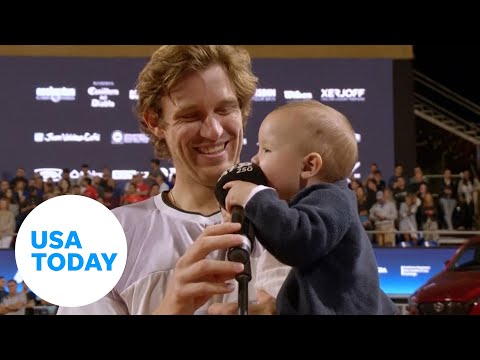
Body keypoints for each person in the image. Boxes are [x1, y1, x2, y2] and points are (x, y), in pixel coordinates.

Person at [57, 45, 289, 315]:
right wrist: (171, 308)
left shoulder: (302, 224)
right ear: (155, 121)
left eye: (225, 109)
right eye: (191, 115)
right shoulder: (107, 238)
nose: (213, 131)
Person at [223, 100, 398, 315]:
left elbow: (295, 240)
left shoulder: (333, 200)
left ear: (309, 166)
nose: (255, 158)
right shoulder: (315, 203)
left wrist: (253, 197)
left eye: (266, 149)